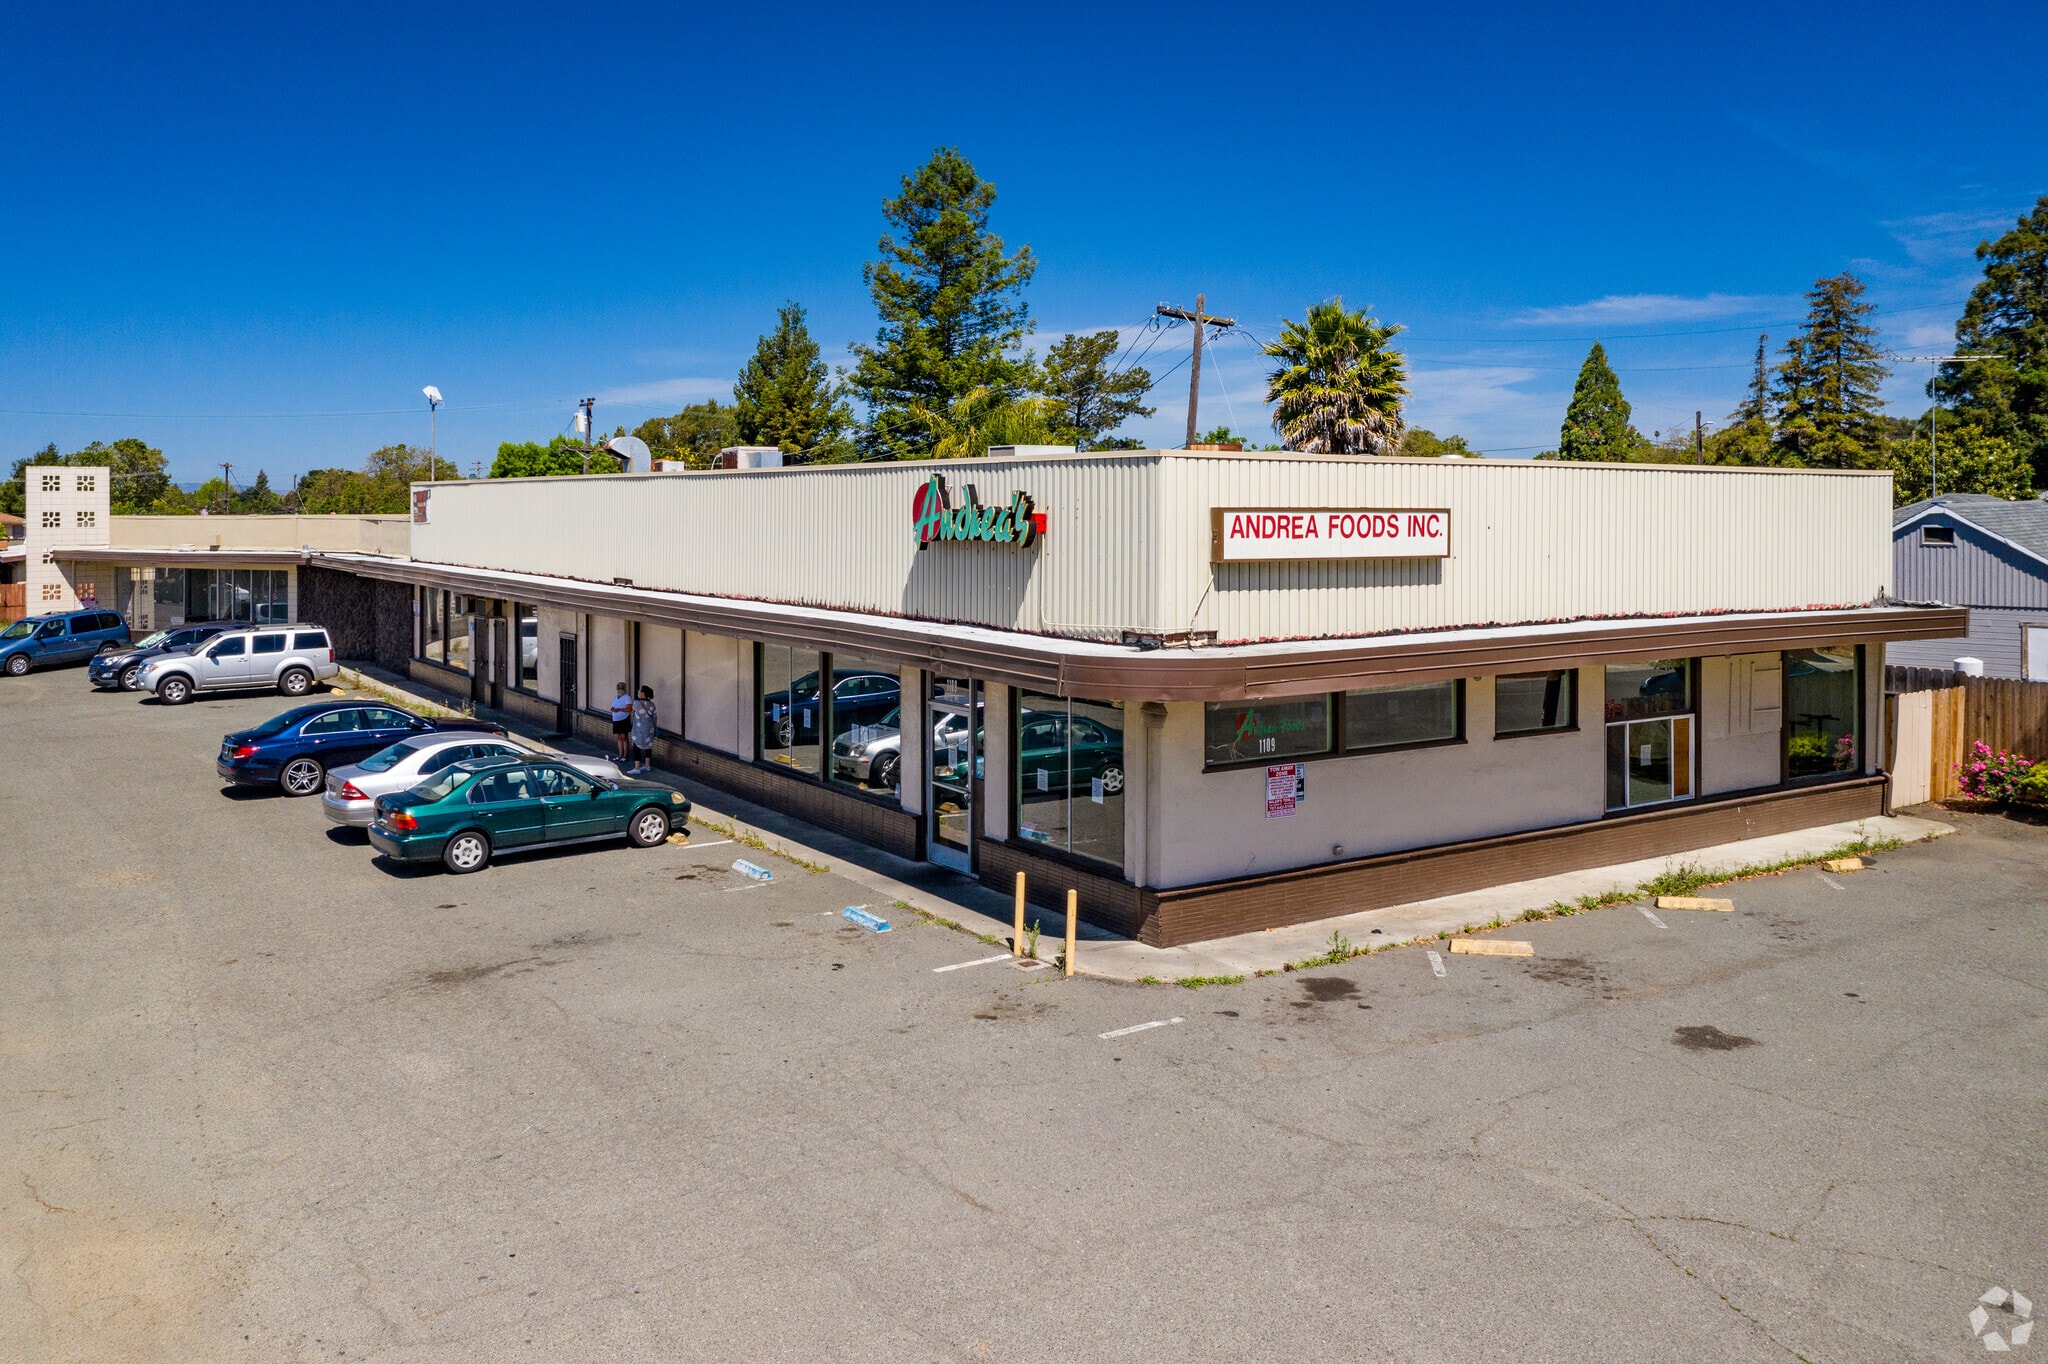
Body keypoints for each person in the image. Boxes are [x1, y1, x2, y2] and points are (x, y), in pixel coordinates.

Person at [629, 685, 658, 775]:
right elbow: (655, 717)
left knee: (636, 745)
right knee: (648, 746)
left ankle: (637, 767)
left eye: (640, 691)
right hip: (650, 728)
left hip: (639, 727)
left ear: (643, 693)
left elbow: (634, 712)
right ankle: (647, 765)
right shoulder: (652, 704)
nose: (638, 692)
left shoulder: (637, 703)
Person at [610, 682, 633, 764]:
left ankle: (625, 755)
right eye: (618, 688)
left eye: (621, 688)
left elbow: (629, 709)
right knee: (618, 737)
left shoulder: (627, 697)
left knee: (624, 737)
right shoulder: (615, 697)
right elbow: (613, 706)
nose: (619, 690)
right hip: (616, 719)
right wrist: (613, 709)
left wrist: (619, 710)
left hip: (624, 719)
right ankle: (620, 754)